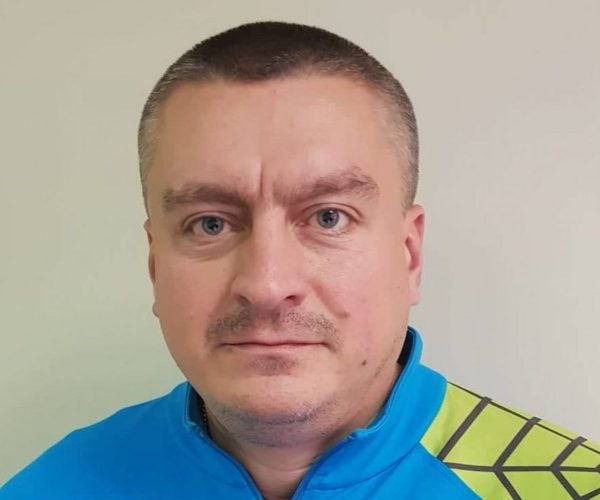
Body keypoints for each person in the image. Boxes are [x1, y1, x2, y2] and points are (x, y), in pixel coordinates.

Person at [1, 21, 598, 500]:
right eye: (210, 223)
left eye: (328, 217)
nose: (266, 284)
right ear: (155, 266)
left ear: (409, 255)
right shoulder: (47, 488)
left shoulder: (568, 486)